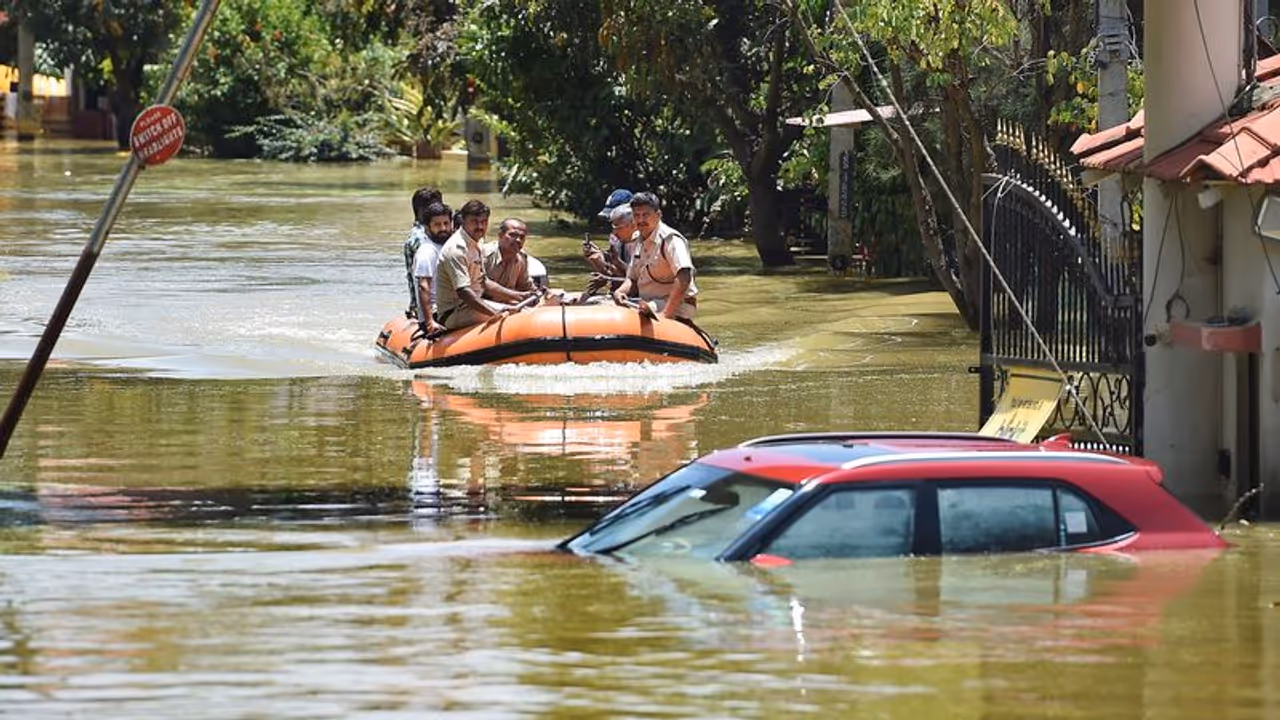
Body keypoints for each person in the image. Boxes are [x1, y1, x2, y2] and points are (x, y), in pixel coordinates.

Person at [435, 200, 537, 330]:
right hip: (454, 312)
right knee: (515, 318)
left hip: (470, 306)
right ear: (464, 221)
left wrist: (519, 296)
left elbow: (483, 282)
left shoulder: (476, 243)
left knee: (521, 310)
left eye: (483, 222)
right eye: (474, 222)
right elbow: (464, 291)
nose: (480, 227)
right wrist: (494, 313)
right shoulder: (456, 249)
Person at [611, 192, 699, 321]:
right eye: (637, 215)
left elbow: (684, 277)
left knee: (639, 314)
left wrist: (665, 315)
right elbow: (633, 279)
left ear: (658, 215)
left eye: (645, 215)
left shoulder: (671, 240)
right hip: (647, 301)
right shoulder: (637, 240)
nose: (641, 220)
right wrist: (620, 292)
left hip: (677, 304)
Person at [411, 202, 453, 335]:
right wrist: (429, 322)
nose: (443, 228)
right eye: (437, 225)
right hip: (436, 313)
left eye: (446, 223)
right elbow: (423, 286)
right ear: (427, 228)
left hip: (449, 307)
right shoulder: (427, 251)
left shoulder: (448, 247)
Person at [403, 187, 442, 317]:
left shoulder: (418, 235)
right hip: (431, 307)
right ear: (422, 211)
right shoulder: (422, 239)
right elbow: (423, 283)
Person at [583, 188, 633, 277]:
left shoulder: (645, 240)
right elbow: (616, 272)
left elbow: (640, 278)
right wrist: (599, 260)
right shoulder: (614, 238)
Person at [483, 218, 536, 293]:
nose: (518, 240)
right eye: (513, 235)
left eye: (522, 237)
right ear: (500, 235)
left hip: (506, 302)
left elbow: (525, 286)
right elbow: (477, 287)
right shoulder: (484, 255)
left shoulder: (521, 257)